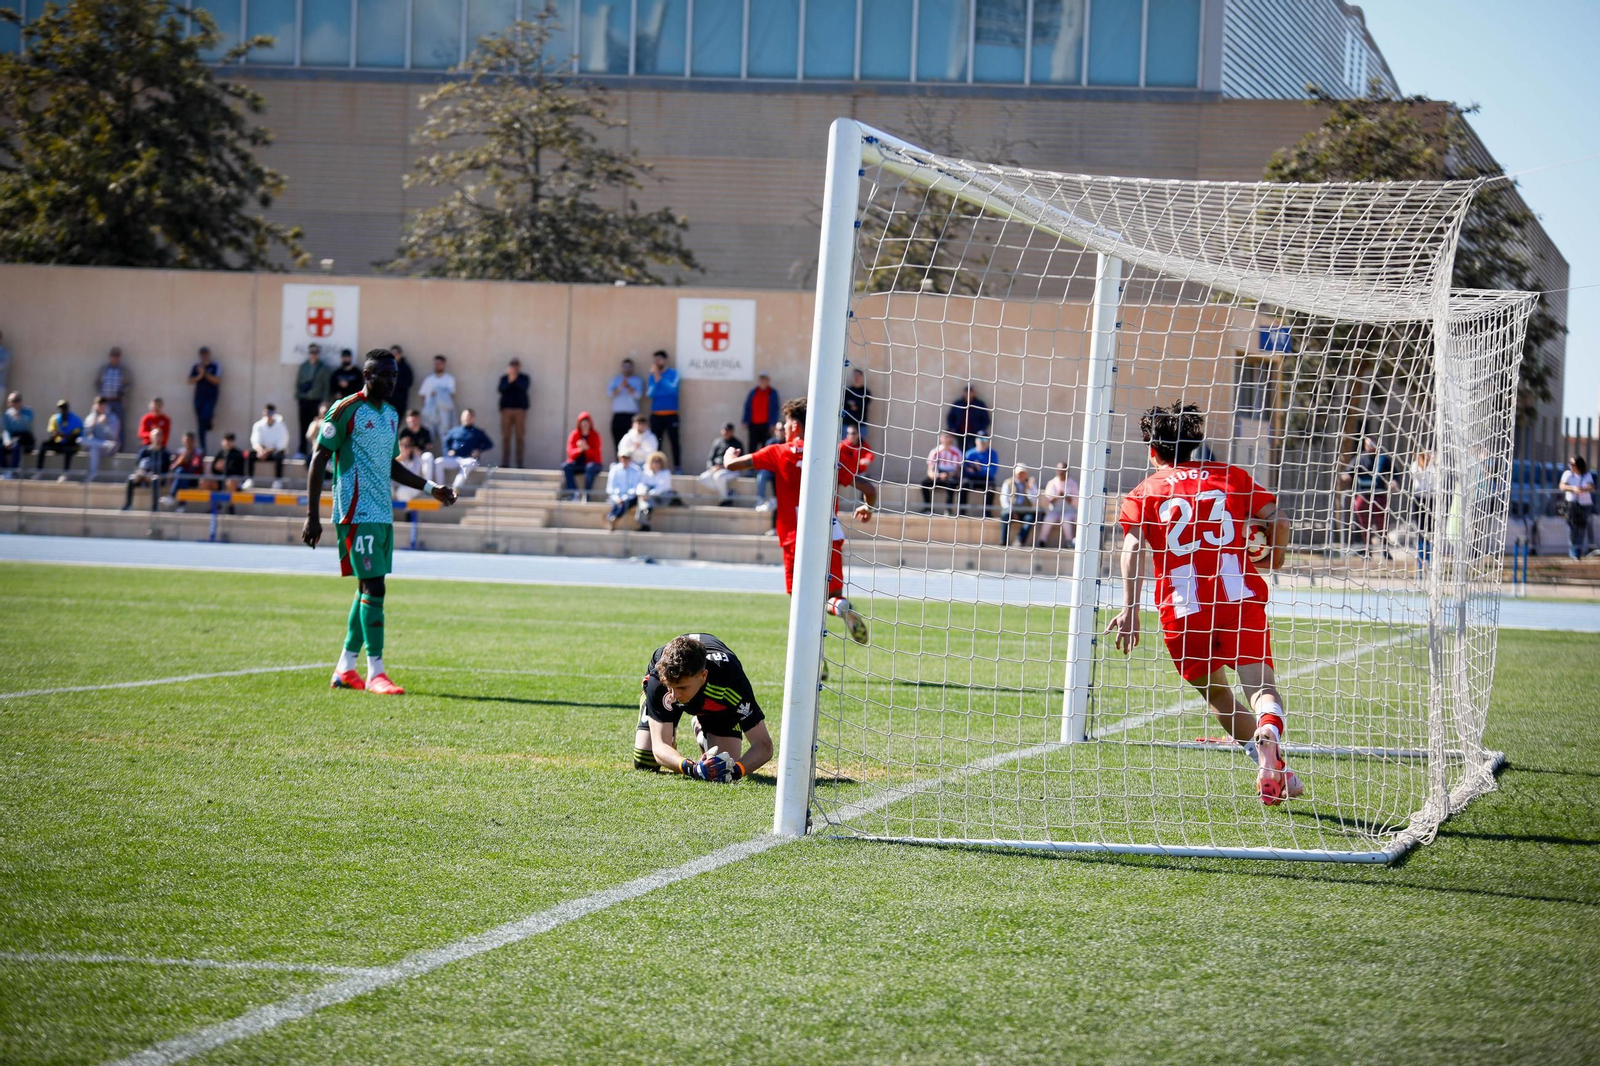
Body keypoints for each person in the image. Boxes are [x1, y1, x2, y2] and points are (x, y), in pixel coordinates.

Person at [1104, 402, 1301, 806]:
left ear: (1152, 451)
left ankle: (1272, 766)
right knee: (1261, 688)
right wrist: (1274, 558)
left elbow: (1133, 547)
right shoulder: (1230, 476)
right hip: (1238, 599)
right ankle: (1270, 736)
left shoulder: (1145, 491)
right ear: (1194, 446)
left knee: (1219, 699)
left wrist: (1129, 609)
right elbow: (1279, 519)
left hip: (1182, 610)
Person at [302, 349, 458, 694]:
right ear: (368, 375)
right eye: (386, 376)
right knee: (375, 587)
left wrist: (432, 488)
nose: (392, 382)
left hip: (381, 512)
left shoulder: (389, 415)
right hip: (355, 512)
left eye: (395, 376)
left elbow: (391, 465)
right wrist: (313, 516)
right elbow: (319, 460)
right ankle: (377, 672)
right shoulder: (344, 410)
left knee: (366, 590)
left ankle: (346, 669)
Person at [722, 397, 875, 648]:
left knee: (801, 603)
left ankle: (813, 661)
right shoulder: (828, 453)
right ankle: (840, 607)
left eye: (785, 423)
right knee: (832, 595)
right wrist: (867, 507)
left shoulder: (778, 452)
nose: (783, 428)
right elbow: (869, 487)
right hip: (829, 534)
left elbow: (732, 465)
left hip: (794, 536)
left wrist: (729, 454)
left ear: (794, 426)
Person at [632, 633, 774, 782]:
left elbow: (764, 746)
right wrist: (692, 769)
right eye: (670, 687)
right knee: (645, 761)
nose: (674, 695)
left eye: (682, 687)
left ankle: (701, 728)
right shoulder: (659, 680)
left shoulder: (729, 678)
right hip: (664, 693)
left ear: (703, 675)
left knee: (725, 764)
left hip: (714, 703)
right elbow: (660, 747)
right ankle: (659, 716)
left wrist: (736, 771)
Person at [1339, 436, 1393, 557]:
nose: (1371, 446)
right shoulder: (1360, 459)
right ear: (1364, 445)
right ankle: (1367, 550)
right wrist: (1346, 476)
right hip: (1363, 495)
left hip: (1379, 495)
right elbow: (1348, 472)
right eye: (1369, 444)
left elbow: (1395, 473)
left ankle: (1385, 549)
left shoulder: (1383, 459)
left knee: (1382, 524)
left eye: (1373, 444)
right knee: (1364, 523)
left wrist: (1393, 482)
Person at [436, 409, 493, 491]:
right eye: (465, 416)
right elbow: (445, 443)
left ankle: (455, 488)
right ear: (461, 417)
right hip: (455, 458)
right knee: (438, 462)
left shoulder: (478, 432)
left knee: (466, 465)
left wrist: (478, 450)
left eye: (469, 417)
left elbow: (489, 444)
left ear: (473, 418)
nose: (467, 419)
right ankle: (440, 488)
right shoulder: (454, 431)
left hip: (470, 459)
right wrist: (448, 451)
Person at [646, 349, 682, 471]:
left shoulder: (673, 374)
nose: (657, 362)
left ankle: (677, 467)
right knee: (656, 443)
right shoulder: (653, 376)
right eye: (655, 360)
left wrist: (660, 378)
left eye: (659, 359)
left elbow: (672, 389)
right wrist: (656, 380)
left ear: (665, 360)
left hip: (671, 414)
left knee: (674, 442)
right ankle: (656, 468)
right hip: (656, 415)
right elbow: (650, 394)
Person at [122, 426, 172, 511]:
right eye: (155, 435)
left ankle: (154, 508)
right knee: (131, 478)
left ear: (162, 437)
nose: (157, 438)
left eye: (159, 435)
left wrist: (155, 475)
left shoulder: (165, 454)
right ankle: (128, 505)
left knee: (155, 479)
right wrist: (140, 473)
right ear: (151, 437)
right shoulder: (144, 451)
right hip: (143, 476)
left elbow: (166, 471)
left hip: (157, 478)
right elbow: (137, 466)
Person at [294, 344, 331, 456]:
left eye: (315, 352)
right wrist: (299, 395)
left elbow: (326, 386)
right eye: (311, 352)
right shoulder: (303, 366)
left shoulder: (323, 368)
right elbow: (298, 382)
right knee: (303, 426)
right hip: (305, 400)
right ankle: (302, 450)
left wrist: (324, 402)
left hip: (317, 400)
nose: (313, 354)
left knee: (316, 426)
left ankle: (315, 450)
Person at [497, 357, 531, 468]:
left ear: (519, 366)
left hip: (520, 411)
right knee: (506, 437)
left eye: (516, 365)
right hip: (506, 410)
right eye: (512, 365)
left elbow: (524, 388)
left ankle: (520, 463)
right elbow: (501, 389)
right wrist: (510, 379)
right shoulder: (504, 378)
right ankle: (505, 463)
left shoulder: (524, 378)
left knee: (520, 437)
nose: (514, 367)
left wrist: (515, 379)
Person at [417, 354, 457, 449]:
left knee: (445, 435)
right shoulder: (428, 379)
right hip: (430, 413)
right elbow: (422, 395)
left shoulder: (449, 379)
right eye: (436, 363)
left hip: (443, 413)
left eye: (440, 363)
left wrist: (440, 394)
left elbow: (452, 395)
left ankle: (447, 459)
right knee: (428, 435)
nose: (437, 365)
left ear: (444, 364)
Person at [698, 423, 744, 505]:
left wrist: (723, 467)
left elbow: (738, 460)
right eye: (724, 430)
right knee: (703, 478)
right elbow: (711, 458)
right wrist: (711, 468)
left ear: (732, 432)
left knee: (719, 476)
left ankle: (725, 499)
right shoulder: (717, 442)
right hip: (716, 469)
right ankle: (728, 493)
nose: (725, 432)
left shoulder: (737, 444)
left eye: (728, 431)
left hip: (731, 470)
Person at [606, 357, 644, 457]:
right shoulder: (616, 380)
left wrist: (627, 386)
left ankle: (630, 462)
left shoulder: (637, 380)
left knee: (631, 441)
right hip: (618, 415)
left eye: (629, 367)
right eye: (624, 367)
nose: (626, 369)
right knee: (617, 440)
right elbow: (610, 394)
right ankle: (618, 462)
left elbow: (638, 395)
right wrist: (620, 387)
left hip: (631, 416)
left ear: (632, 368)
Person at [562, 411, 605, 500]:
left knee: (590, 467)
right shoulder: (574, 435)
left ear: (590, 423)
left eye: (587, 422)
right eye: (583, 422)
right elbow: (570, 453)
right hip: (579, 464)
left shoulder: (595, 435)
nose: (585, 424)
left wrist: (587, 449)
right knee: (566, 466)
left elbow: (596, 454)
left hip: (592, 465)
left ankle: (586, 494)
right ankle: (573, 493)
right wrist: (579, 450)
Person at [1559, 455, 1595, 560]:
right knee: (1572, 527)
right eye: (1570, 464)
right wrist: (1573, 488)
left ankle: (1577, 552)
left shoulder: (1586, 475)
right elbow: (1562, 486)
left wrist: (1582, 489)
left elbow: (1591, 486)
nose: (1571, 466)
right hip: (1572, 504)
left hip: (1585, 504)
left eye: (1573, 464)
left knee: (1581, 528)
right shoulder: (1568, 474)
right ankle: (1573, 550)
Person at [247, 402, 290, 487]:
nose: (268, 415)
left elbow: (281, 443)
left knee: (279, 456)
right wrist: (260, 451)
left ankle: (278, 481)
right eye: (266, 413)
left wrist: (267, 451)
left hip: (274, 452)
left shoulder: (281, 425)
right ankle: (250, 479)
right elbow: (255, 440)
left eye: (270, 413)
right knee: (250, 455)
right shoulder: (258, 425)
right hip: (262, 452)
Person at [95, 346, 131, 449]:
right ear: (110, 356)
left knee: (118, 425)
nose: (115, 358)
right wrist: (100, 394)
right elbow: (97, 383)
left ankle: (119, 448)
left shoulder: (123, 370)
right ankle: (103, 446)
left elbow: (129, 384)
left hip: (118, 401)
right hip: (105, 402)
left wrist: (123, 391)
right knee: (103, 423)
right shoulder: (104, 369)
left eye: (117, 356)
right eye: (113, 355)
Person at [1038, 461, 1079, 549]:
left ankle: (1069, 541)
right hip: (1055, 509)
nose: (1061, 472)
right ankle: (1042, 540)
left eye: (1063, 470)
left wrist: (1065, 496)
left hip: (1069, 510)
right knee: (1048, 519)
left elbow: (1076, 501)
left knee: (1065, 519)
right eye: (1059, 470)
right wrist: (1057, 496)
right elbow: (1047, 500)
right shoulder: (1052, 483)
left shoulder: (1073, 484)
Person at [919, 431, 963, 513]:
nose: (947, 439)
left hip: (951, 476)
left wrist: (948, 475)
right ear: (941, 438)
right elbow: (930, 469)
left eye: (949, 437)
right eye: (945, 437)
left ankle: (948, 510)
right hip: (938, 476)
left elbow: (957, 470)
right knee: (924, 482)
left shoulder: (957, 452)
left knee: (952, 484)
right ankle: (928, 508)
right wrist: (936, 476)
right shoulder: (935, 451)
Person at [1407, 449, 1438, 567]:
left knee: (1431, 530)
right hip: (1419, 498)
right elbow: (1418, 477)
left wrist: (1434, 463)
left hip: (1431, 499)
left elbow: (1436, 481)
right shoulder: (1415, 465)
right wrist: (1421, 463)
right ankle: (1421, 560)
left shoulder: (1434, 467)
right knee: (1420, 529)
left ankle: (1430, 559)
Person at [37, 399, 83, 476]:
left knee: (69, 447)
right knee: (44, 445)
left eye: (64, 408)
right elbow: (52, 433)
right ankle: (38, 471)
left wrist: (62, 434)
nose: (62, 410)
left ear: (68, 409)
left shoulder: (76, 420)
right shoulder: (54, 419)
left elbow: (75, 438)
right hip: (59, 443)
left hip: (72, 445)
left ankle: (65, 473)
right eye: (60, 408)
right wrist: (54, 435)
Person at [187, 346, 221, 451]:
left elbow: (217, 380)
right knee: (201, 421)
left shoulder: (215, 366)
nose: (204, 357)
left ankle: (209, 421)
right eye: (202, 355)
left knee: (206, 416)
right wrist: (200, 375)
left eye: (205, 354)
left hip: (210, 397)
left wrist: (204, 373)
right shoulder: (196, 367)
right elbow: (190, 380)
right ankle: (203, 447)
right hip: (199, 397)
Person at [81, 396, 121, 482]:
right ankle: (92, 474)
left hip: (109, 449)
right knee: (82, 441)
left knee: (97, 447)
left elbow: (114, 436)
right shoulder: (90, 417)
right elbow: (85, 435)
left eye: (103, 406)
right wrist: (90, 426)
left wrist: (105, 424)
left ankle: (92, 473)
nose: (101, 408)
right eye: (99, 405)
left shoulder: (113, 417)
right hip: (98, 446)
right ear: (95, 406)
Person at [603, 450, 644, 531]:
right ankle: (612, 518)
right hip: (616, 497)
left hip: (630, 498)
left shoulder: (636, 470)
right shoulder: (614, 469)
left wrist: (624, 498)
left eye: (627, 458)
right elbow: (610, 487)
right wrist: (617, 498)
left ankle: (612, 517)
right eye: (623, 457)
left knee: (625, 503)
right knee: (619, 503)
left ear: (631, 459)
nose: (625, 460)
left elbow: (636, 488)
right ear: (619, 458)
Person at [961, 435, 1002, 517]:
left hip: (985, 479)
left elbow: (992, 472)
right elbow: (964, 470)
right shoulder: (969, 453)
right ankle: (962, 512)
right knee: (963, 485)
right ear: (976, 441)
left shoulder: (992, 454)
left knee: (991, 488)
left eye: (985, 440)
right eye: (980, 440)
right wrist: (971, 471)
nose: (982, 442)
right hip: (972, 479)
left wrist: (980, 469)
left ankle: (987, 512)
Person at [999, 464, 1039, 546]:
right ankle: (1004, 540)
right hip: (1012, 510)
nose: (1021, 475)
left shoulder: (1030, 484)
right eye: (1019, 473)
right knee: (1005, 515)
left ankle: (1019, 540)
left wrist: (1029, 489)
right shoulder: (1008, 483)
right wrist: (1011, 511)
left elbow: (1034, 500)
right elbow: (1004, 499)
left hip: (1025, 511)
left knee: (1030, 519)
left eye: (1023, 473)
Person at [636, 450, 677, 530]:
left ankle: (646, 513)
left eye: (659, 461)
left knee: (646, 500)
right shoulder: (646, 473)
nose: (656, 464)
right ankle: (646, 513)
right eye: (654, 461)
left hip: (662, 498)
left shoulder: (665, 473)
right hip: (650, 498)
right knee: (642, 497)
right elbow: (641, 485)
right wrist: (642, 494)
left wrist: (648, 496)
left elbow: (660, 488)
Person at [203, 432, 247, 505]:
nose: (227, 443)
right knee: (204, 482)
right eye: (226, 440)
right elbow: (214, 468)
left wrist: (225, 468)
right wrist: (217, 468)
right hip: (220, 480)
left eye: (230, 441)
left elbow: (240, 471)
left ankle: (229, 506)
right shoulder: (220, 453)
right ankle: (215, 506)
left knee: (230, 482)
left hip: (233, 481)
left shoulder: (238, 454)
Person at [945, 383, 991, 451]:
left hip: (973, 434)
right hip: (960, 433)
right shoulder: (958, 403)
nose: (968, 394)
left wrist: (980, 430)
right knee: (960, 451)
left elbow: (986, 419)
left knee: (971, 452)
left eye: (970, 392)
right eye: (966, 392)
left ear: (974, 393)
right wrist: (953, 428)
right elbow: (950, 417)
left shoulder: (979, 404)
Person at [742, 373, 779, 452]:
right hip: (753, 425)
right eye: (761, 379)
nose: (762, 381)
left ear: (768, 381)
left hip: (766, 426)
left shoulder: (772, 393)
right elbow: (748, 406)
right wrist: (745, 420)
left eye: (764, 379)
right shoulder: (753, 392)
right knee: (752, 448)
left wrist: (773, 423)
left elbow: (775, 409)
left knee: (765, 447)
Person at [2, 392, 34, 474]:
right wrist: (7, 441)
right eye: (13, 401)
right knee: (1, 447)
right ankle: (5, 471)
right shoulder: (7, 414)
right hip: (13, 437)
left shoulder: (28, 411)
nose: (15, 403)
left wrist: (19, 416)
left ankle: (13, 471)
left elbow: (28, 424)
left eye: (17, 400)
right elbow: (6, 430)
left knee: (16, 445)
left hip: (25, 437)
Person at [169, 431, 205, 503]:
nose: (188, 443)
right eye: (186, 440)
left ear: (193, 441)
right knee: (181, 472)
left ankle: (172, 496)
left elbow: (196, 467)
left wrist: (188, 460)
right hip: (180, 477)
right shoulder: (179, 452)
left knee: (182, 473)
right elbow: (172, 468)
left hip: (193, 478)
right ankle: (181, 505)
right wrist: (179, 462)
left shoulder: (198, 452)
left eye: (190, 440)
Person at [394, 436, 432, 502]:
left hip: (413, 487)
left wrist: (416, 456)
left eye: (409, 446)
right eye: (404, 446)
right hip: (398, 487)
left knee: (402, 491)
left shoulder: (416, 458)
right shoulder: (395, 460)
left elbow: (414, 477)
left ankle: (409, 511)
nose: (405, 448)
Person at [842, 367, 872, 434]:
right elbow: (844, 403)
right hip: (846, 424)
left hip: (860, 425)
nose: (856, 378)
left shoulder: (866, 392)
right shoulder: (847, 391)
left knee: (860, 444)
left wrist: (855, 404)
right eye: (855, 375)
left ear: (862, 377)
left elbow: (864, 403)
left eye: (858, 376)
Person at [389, 344, 415, 417]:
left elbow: (408, 383)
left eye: (396, 354)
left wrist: (395, 380)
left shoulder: (405, 368)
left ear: (400, 355)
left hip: (399, 401)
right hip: (386, 402)